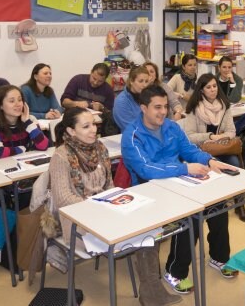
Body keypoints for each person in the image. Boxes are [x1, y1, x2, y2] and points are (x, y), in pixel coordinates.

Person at [49, 108, 179, 306]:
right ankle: (151, 292)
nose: (94, 129)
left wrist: (117, 199)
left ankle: (151, 290)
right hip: (77, 222)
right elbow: (63, 199)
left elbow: (108, 186)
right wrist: (98, 205)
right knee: (140, 234)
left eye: (94, 124)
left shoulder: (100, 149)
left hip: (104, 211)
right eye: (86, 126)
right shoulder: (61, 156)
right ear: (71, 131)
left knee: (149, 228)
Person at [122, 85, 239, 294]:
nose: (163, 112)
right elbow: (145, 169)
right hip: (148, 191)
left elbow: (190, 150)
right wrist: (184, 168)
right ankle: (175, 271)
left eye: (165, 106)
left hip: (176, 182)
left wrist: (209, 160)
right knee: (190, 215)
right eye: (157, 107)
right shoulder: (132, 135)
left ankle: (219, 257)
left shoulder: (172, 127)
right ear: (143, 108)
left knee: (218, 204)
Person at [184, 73, 245, 222]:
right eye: (208, 87)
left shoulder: (224, 105)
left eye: (214, 86)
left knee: (233, 163)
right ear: (201, 90)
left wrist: (221, 137)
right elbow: (189, 136)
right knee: (213, 167)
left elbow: (232, 131)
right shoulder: (194, 108)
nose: (213, 89)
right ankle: (214, 203)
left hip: (222, 147)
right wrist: (210, 137)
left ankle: (239, 203)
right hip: (202, 151)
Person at [0, 85, 49, 159]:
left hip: (23, 163)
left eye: (20, 100)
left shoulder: (30, 119)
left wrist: (27, 122)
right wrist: (21, 149)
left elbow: (43, 146)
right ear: (0, 105)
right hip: (0, 165)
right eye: (12, 101)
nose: (18, 104)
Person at [113, 66, 150, 132]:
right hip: (132, 138)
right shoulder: (121, 101)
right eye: (141, 81)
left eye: (146, 81)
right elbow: (131, 128)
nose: (144, 85)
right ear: (131, 81)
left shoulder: (147, 97)